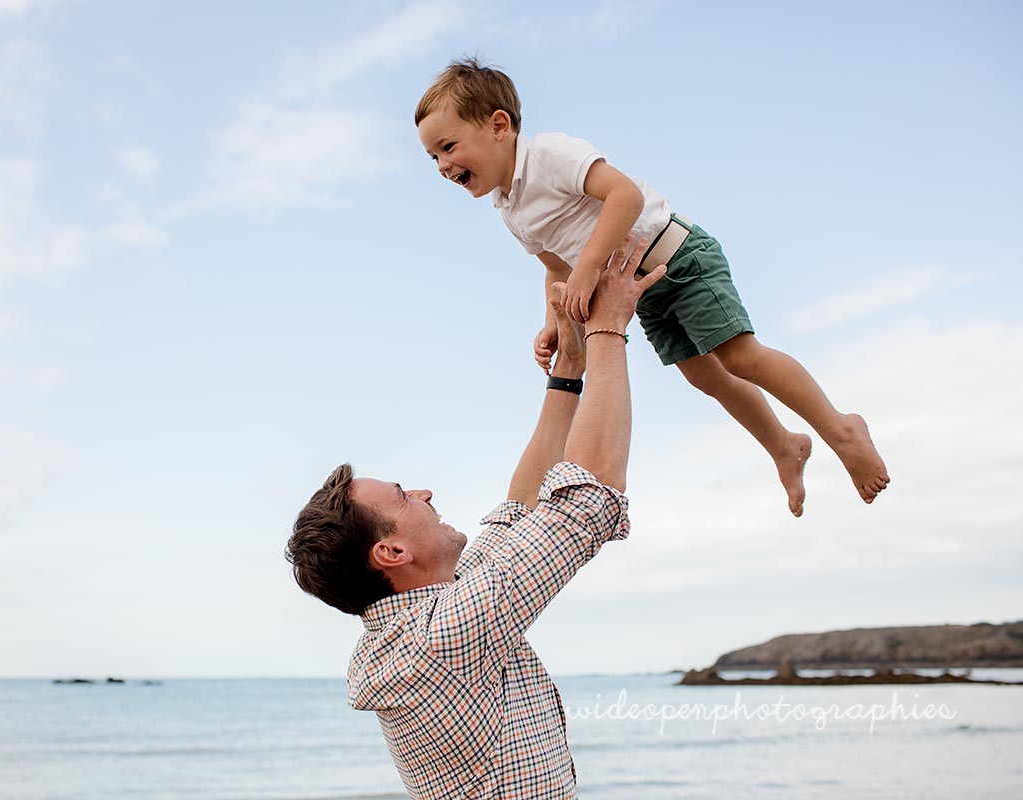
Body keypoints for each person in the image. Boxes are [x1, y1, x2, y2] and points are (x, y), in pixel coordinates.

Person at [414, 57, 890, 516]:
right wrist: (553, 323)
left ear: (499, 125)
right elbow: (557, 268)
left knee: (740, 356)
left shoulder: (549, 156)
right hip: (642, 289)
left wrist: (590, 267)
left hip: (678, 256)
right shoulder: (510, 208)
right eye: (433, 155)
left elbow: (625, 195)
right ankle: (784, 446)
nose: (441, 165)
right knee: (704, 375)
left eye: (449, 147)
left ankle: (841, 428)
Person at [286, 240, 666, 798]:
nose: (424, 491)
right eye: (402, 496)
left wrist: (570, 367)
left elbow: (522, 509)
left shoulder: (431, 613)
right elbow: (589, 494)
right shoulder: (440, 639)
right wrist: (610, 329)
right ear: (391, 552)